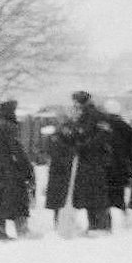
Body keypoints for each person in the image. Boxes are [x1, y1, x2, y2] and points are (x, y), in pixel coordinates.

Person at [45, 91, 114, 233]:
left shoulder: (97, 116)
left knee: (96, 193)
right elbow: (75, 134)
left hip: (94, 160)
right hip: (84, 161)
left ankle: (101, 225)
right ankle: (96, 225)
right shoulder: (79, 117)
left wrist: (83, 146)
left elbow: (102, 137)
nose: (74, 105)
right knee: (90, 194)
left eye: (76, 102)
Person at [0, 99, 35, 240]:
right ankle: (22, 229)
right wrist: (27, 168)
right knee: (19, 198)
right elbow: (16, 149)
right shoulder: (9, 126)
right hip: (8, 169)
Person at [101, 98, 132, 227]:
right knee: (119, 193)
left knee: (105, 194)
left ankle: (107, 220)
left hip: (105, 165)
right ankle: (123, 217)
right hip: (121, 166)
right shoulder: (126, 126)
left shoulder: (102, 126)